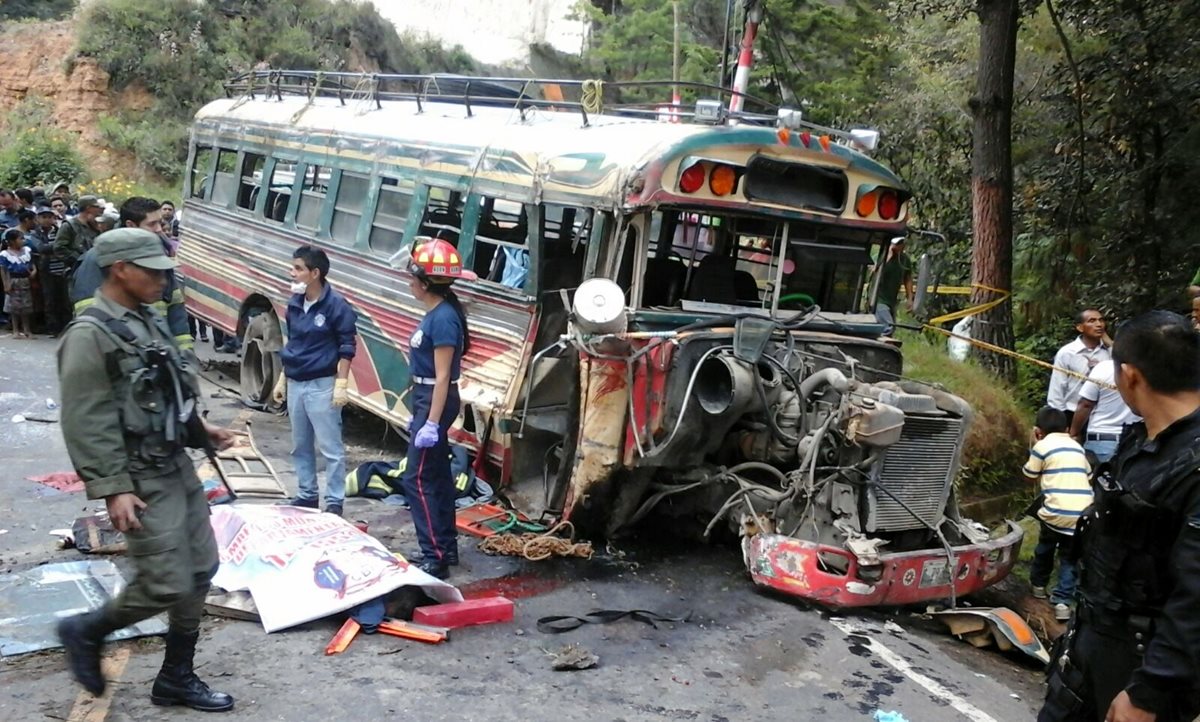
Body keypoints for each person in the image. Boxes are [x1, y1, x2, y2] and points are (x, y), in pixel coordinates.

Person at [55, 228, 235, 712]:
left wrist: (200, 430)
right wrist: (113, 489)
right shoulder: (90, 335)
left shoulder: (146, 322)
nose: (163, 279)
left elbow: (166, 389)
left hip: (175, 465)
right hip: (140, 478)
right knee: (165, 582)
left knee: (200, 570)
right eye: (152, 270)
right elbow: (85, 419)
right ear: (120, 270)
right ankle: (86, 630)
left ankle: (177, 675)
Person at [1039, 311, 1200, 722]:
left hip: (1143, 666)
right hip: (1091, 640)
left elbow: (1195, 596)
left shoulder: (1191, 464)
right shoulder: (1139, 440)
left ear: (1128, 376)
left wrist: (1149, 692)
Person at [395, 237, 474, 579]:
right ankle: (446, 546)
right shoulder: (441, 312)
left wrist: (430, 422)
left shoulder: (442, 319)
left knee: (417, 478)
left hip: (435, 400)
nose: (409, 283)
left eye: (413, 278)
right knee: (438, 476)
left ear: (425, 283)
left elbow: (443, 378)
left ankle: (435, 555)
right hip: (428, 398)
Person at [271, 246, 357, 517]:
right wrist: (283, 378)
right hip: (297, 382)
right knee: (301, 444)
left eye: (298, 268)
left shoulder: (336, 306)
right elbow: (293, 342)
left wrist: (341, 383)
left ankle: (334, 501)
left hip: (322, 384)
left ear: (315, 273)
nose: (292, 272)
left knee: (331, 447)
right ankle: (307, 494)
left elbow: (346, 346)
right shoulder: (295, 303)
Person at [70, 197, 193, 354]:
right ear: (130, 225)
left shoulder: (159, 255)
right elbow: (88, 312)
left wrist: (185, 358)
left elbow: (176, 311)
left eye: (160, 223)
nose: (159, 229)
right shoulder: (99, 257)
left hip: (158, 356)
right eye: (152, 224)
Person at [1023, 406, 1092, 622]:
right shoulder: (1077, 447)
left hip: (1055, 512)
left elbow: (1029, 474)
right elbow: (1088, 475)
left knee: (1046, 547)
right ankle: (1063, 601)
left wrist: (1035, 446)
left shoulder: (1042, 445)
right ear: (1066, 428)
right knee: (1070, 557)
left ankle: (1038, 586)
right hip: (1083, 513)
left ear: (1038, 431)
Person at [1046, 308, 1110, 427]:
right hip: (1072, 413)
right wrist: (1059, 421)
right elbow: (1057, 388)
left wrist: (1110, 344)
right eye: (1092, 321)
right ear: (1080, 327)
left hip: (1104, 417)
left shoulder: (1109, 352)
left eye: (1101, 320)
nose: (1099, 324)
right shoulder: (1067, 352)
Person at [1070, 359, 1139, 463]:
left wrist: (1073, 433)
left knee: (1097, 478)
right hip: (1135, 439)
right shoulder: (1146, 370)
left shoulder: (1104, 367)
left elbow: (1085, 404)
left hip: (1102, 438)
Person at [52, 195, 103, 273]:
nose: (98, 209)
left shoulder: (94, 224)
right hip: (77, 270)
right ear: (88, 208)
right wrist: (79, 259)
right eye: (96, 207)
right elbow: (59, 248)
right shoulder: (69, 225)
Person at [874, 236, 913, 336]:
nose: (899, 246)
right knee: (888, 326)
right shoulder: (882, 257)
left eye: (901, 244)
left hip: (892, 300)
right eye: (896, 244)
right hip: (879, 299)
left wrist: (910, 298)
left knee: (892, 328)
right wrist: (889, 256)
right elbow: (876, 273)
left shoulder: (905, 260)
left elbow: (907, 279)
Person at [1, 228, 36, 338]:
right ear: (12, 241)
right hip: (13, 280)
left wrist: (34, 271)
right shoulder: (5, 254)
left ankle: (27, 329)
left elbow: (32, 264)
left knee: (26, 306)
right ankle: (15, 329)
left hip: (25, 280)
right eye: (20, 239)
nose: (23, 241)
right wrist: (6, 284)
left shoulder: (26, 251)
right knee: (14, 307)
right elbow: (3, 270)